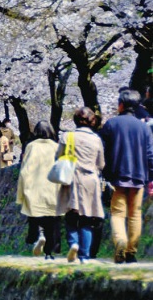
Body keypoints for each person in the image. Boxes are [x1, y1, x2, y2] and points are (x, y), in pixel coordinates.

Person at [100, 89, 153, 264]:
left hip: (117, 177)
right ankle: (131, 252)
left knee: (117, 213)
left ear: (121, 105)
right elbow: (150, 154)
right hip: (139, 177)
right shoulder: (144, 128)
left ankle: (120, 241)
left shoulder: (111, 124)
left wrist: (104, 173)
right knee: (135, 214)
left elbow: (103, 152)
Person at [56, 107, 105, 264]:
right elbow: (101, 164)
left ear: (76, 120)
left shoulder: (67, 136)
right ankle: (84, 256)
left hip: (72, 179)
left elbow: (58, 157)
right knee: (87, 219)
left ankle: (74, 244)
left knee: (71, 216)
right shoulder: (96, 139)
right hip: (90, 180)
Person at [16, 121, 61, 259]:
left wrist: (21, 194)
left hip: (34, 188)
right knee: (52, 221)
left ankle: (39, 235)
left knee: (35, 217)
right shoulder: (56, 147)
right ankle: (49, 252)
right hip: (53, 188)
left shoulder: (31, 146)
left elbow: (25, 170)